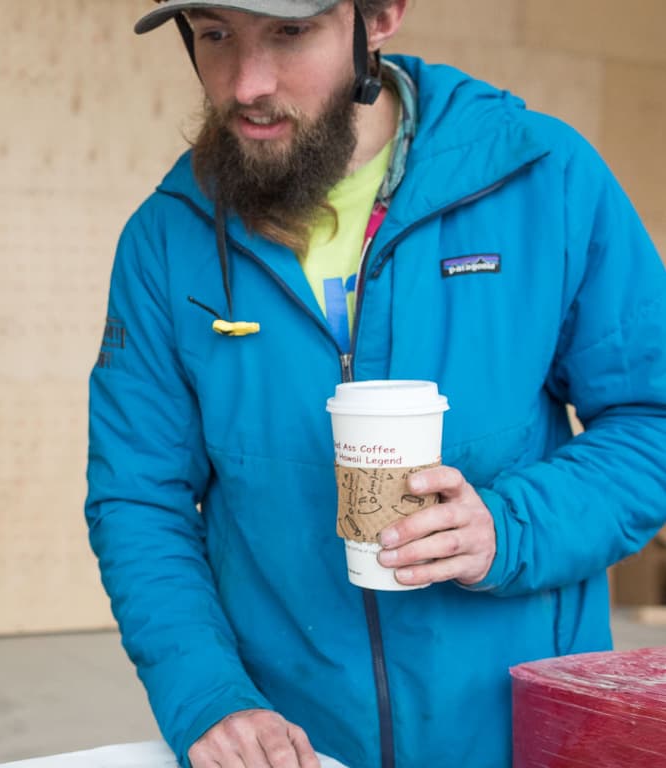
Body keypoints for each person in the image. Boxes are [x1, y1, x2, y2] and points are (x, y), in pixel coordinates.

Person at [85, 1, 666, 766]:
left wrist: (510, 526)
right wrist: (208, 697)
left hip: (518, 734)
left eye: (290, 33)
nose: (247, 83)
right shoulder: (166, 240)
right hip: (299, 746)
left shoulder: (543, 180)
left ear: (381, 16)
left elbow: (651, 420)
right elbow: (139, 496)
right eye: (216, 34)